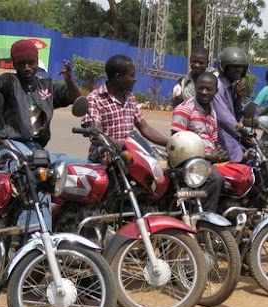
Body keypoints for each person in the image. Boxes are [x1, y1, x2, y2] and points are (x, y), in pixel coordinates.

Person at [0, 39, 81, 150]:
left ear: (37, 62)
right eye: (21, 64)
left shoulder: (47, 86)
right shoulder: (9, 81)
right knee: (29, 162)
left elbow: (75, 98)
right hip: (7, 146)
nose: (27, 68)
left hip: (37, 148)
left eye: (31, 63)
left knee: (65, 165)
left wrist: (70, 81)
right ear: (15, 65)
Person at [82, 54, 168, 162]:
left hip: (128, 160)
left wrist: (170, 143)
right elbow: (96, 134)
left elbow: (145, 129)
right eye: (131, 75)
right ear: (118, 77)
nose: (134, 79)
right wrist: (122, 145)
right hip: (104, 162)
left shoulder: (130, 98)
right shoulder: (95, 98)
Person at [170, 72, 226, 212]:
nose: (204, 92)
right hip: (189, 163)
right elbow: (177, 145)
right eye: (201, 88)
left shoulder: (212, 113)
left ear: (216, 91)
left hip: (207, 160)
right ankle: (204, 220)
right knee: (215, 178)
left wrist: (217, 154)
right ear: (195, 88)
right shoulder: (184, 109)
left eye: (209, 89)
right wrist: (207, 157)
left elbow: (212, 141)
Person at [213, 47, 249, 163]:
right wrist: (241, 131)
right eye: (234, 66)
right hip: (219, 134)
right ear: (224, 67)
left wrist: (239, 97)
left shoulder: (232, 87)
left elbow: (237, 116)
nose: (238, 69)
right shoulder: (218, 85)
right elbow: (223, 117)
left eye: (240, 66)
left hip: (230, 134)